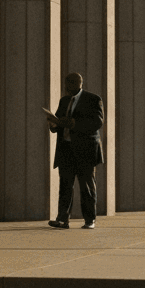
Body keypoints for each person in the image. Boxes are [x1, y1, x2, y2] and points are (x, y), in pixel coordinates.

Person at [47, 72, 104, 229]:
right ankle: (62, 219)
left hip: (86, 151)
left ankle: (89, 220)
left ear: (79, 83)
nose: (67, 86)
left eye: (71, 83)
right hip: (66, 150)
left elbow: (97, 122)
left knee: (86, 186)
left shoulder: (93, 99)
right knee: (65, 185)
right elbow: (59, 121)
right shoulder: (64, 101)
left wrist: (74, 123)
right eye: (66, 83)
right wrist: (53, 124)